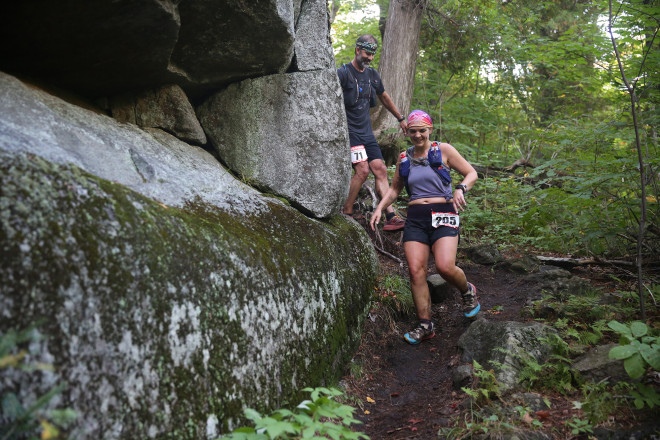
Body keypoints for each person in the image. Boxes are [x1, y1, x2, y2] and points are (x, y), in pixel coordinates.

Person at [370, 109, 480, 344]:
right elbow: (394, 190)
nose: (418, 135)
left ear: (430, 130)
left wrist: (461, 188)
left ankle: (467, 290)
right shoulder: (404, 158)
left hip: (444, 212)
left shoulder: (444, 151)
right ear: (406, 131)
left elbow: (472, 173)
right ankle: (425, 324)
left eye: (422, 130)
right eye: (413, 131)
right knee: (416, 270)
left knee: (444, 267)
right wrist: (380, 208)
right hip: (417, 218)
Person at [337, 34, 407, 231]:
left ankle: (391, 216)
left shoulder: (372, 75)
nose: (369, 58)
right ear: (358, 50)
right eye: (367, 53)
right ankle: (347, 211)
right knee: (362, 170)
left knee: (380, 169)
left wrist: (401, 119)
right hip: (350, 132)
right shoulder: (343, 73)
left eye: (372, 55)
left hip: (367, 133)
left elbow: (383, 96)